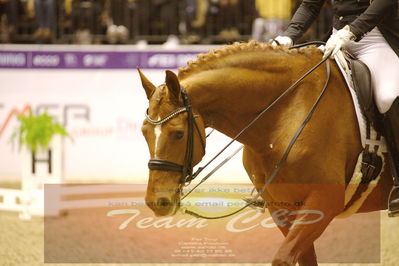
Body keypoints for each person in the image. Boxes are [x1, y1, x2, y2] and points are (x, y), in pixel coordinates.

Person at [273, 0, 399, 216]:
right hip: (336, 40)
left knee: (387, 96)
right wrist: (289, 35)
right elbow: (310, 5)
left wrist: (352, 31)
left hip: (375, 39)